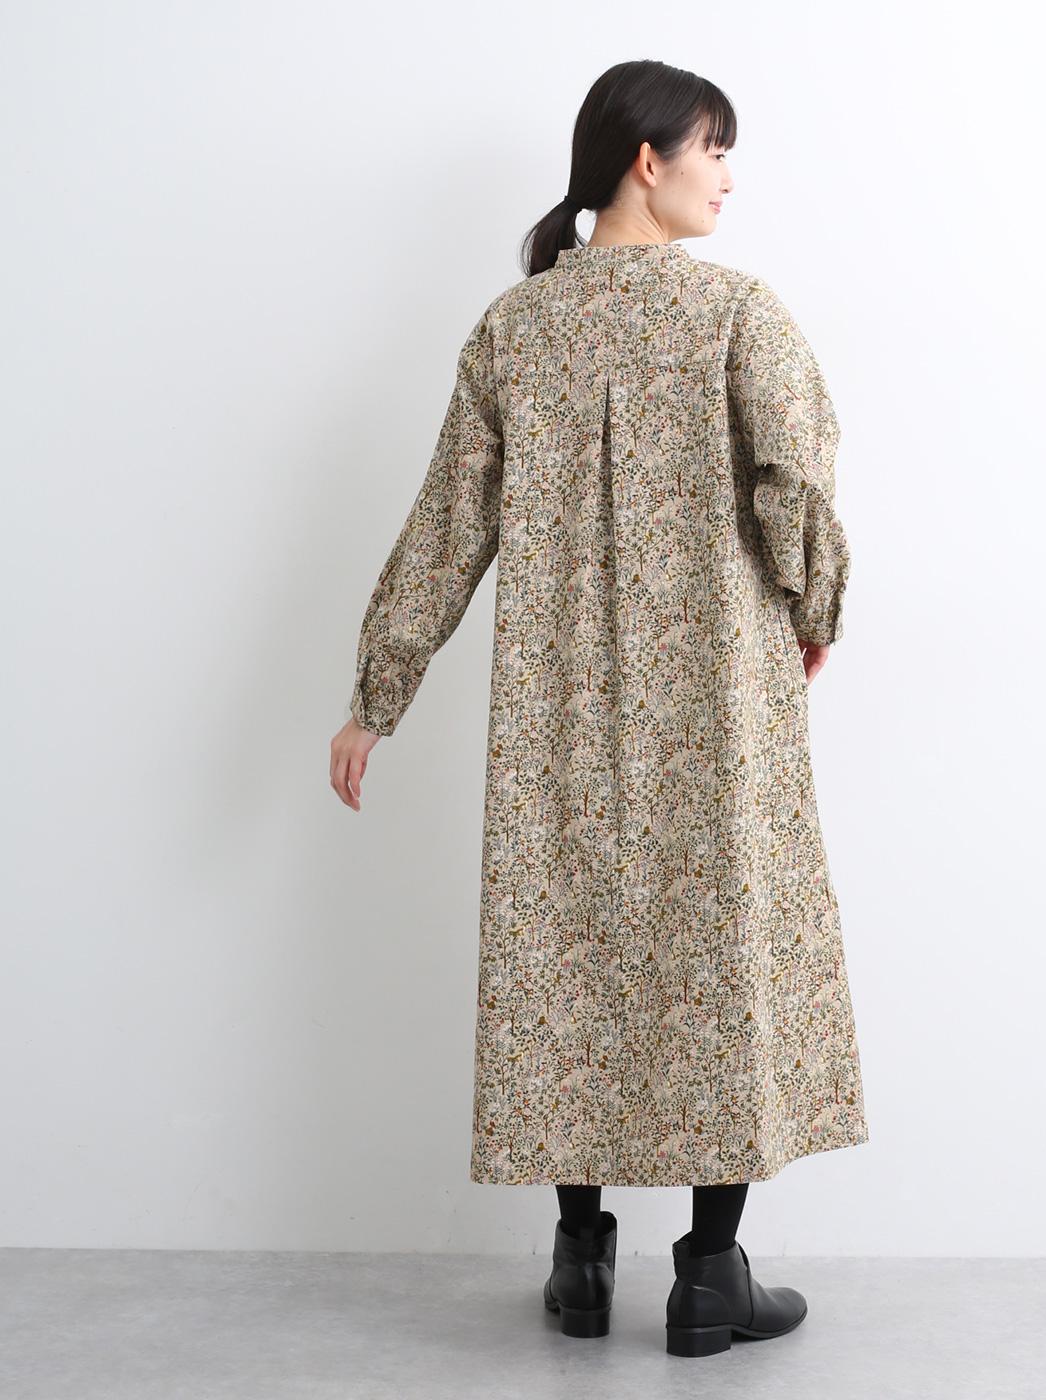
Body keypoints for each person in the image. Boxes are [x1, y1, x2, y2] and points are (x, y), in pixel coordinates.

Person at [329, 59, 868, 1358]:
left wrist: (376, 697)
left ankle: (580, 1262)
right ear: (647, 157)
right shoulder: (736, 312)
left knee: (566, 942)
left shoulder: (516, 330)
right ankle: (710, 1276)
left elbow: (448, 523)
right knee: (723, 944)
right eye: (715, 149)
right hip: (718, 698)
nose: (728, 177)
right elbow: (798, 478)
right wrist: (812, 610)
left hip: (557, 700)